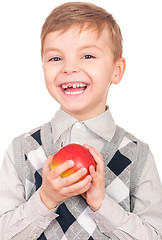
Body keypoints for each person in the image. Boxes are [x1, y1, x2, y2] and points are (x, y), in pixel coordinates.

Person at [0, 2, 162, 240]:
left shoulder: (137, 155)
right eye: (56, 58)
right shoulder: (22, 150)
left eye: (87, 55)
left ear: (117, 70)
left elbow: (155, 235)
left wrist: (102, 204)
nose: (69, 68)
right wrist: (45, 199)